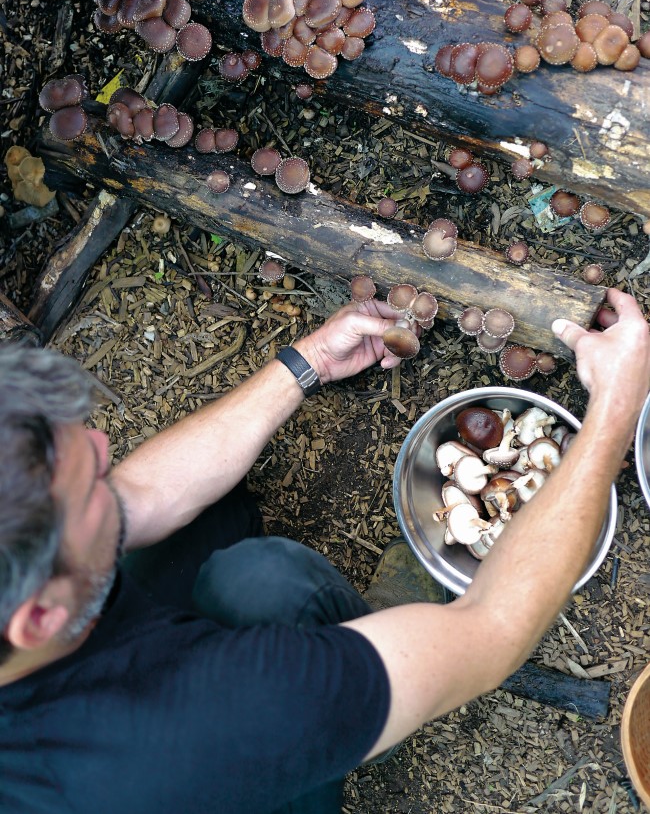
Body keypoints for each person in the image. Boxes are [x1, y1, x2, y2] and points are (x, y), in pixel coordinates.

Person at [0, 287, 648, 814]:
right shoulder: (205, 722)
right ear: (40, 617)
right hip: (209, 760)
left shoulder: (28, 604)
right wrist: (615, 410)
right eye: (88, 487)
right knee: (269, 581)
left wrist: (307, 360)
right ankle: (359, 719)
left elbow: (138, 495)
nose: (109, 450)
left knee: (219, 539)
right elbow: (493, 627)